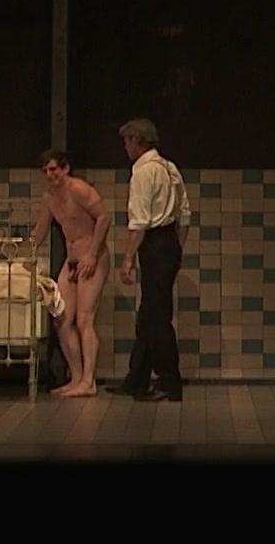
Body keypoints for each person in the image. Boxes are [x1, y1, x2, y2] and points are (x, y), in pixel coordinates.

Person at [109, 118, 190, 403]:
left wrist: (128, 259)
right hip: (168, 242)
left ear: (137, 141)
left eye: (127, 141)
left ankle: (169, 380)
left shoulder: (143, 172)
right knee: (149, 314)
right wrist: (177, 248)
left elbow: (140, 222)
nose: (125, 147)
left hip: (153, 243)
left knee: (157, 317)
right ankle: (137, 378)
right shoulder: (169, 167)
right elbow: (184, 214)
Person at [28, 149, 111, 398]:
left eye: (53, 169)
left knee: (84, 320)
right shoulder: (50, 199)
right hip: (71, 261)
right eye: (45, 171)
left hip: (92, 259)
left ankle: (89, 381)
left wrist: (92, 254)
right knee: (62, 320)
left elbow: (104, 218)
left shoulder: (79, 189)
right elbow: (40, 230)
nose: (49, 175)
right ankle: (76, 377)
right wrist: (24, 255)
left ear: (65, 168)